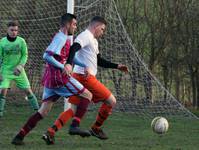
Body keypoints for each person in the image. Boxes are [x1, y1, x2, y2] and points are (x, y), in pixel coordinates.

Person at [43, 16, 128, 144]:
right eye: (103, 29)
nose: (103, 32)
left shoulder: (93, 41)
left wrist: (116, 66)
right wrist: (69, 64)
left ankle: (51, 132)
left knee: (73, 110)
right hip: (85, 77)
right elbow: (74, 47)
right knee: (111, 101)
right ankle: (95, 128)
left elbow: (99, 60)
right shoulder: (85, 35)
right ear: (97, 27)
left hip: (80, 76)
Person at [11, 13, 93, 145]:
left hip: (51, 79)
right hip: (59, 78)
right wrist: (63, 67)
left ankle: (19, 136)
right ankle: (74, 126)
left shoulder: (65, 37)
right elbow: (47, 56)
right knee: (87, 95)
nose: (76, 27)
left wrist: (84, 65)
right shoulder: (60, 38)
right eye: (74, 24)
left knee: (43, 111)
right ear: (67, 24)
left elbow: (67, 57)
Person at [0, 20, 39, 117]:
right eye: (12, 30)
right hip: (6, 70)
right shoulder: (2, 42)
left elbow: (25, 55)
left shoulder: (21, 41)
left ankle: (38, 111)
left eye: (16, 30)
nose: (14, 32)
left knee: (28, 91)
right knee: (2, 90)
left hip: (19, 71)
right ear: (7, 30)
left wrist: (20, 66)